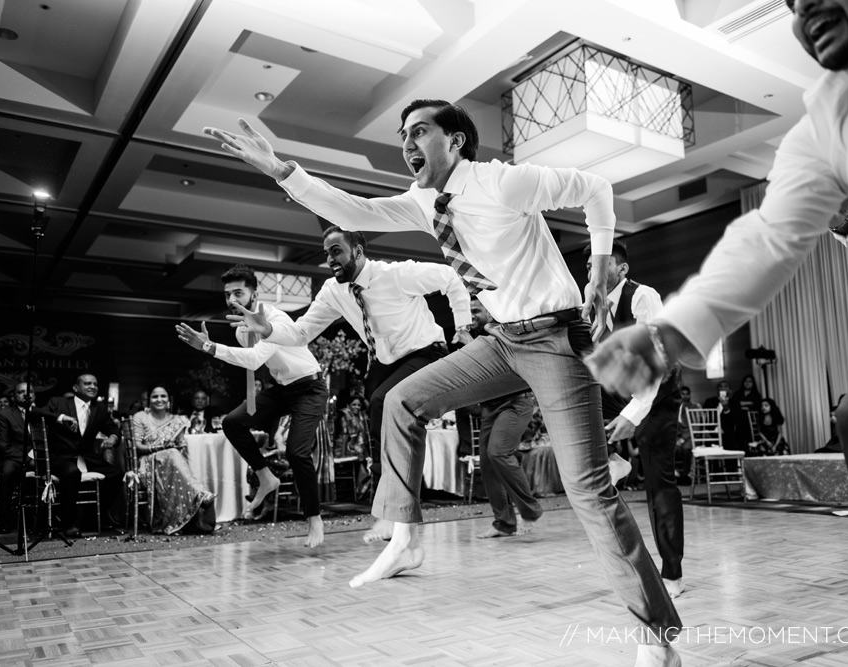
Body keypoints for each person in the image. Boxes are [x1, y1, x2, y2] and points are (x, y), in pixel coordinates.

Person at [205, 99, 682, 667]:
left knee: (589, 492)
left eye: (420, 131)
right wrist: (282, 171)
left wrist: (601, 264)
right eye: (403, 134)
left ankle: (658, 638)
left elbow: (596, 187)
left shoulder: (505, 183)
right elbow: (351, 208)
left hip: (554, 341)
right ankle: (405, 537)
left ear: (456, 141)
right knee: (402, 400)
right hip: (503, 341)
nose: (407, 143)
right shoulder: (424, 201)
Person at [587, 1, 848, 661]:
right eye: (793, 4)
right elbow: (771, 235)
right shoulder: (828, 120)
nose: (806, 12)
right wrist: (664, 337)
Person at [226, 225, 472, 542]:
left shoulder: (395, 274)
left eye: (336, 251)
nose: (330, 259)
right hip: (386, 361)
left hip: (426, 351)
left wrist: (463, 325)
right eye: (327, 253)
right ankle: (395, 503)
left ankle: (390, 512)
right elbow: (301, 334)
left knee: (384, 402)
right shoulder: (333, 290)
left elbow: (451, 278)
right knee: (376, 416)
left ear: (357, 250)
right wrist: (268, 331)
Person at [175, 264, 328, 548]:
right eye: (227, 294)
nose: (232, 299)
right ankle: (265, 476)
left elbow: (255, 360)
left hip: (309, 388)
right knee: (232, 422)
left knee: (296, 451)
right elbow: (249, 358)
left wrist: (209, 348)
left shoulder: (275, 318)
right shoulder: (241, 329)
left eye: (238, 292)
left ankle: (314, 518)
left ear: (254, 293)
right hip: (282, 389)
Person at [588, 240, 686, 598]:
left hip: (658, 393)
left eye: (600, 263)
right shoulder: (592, 299)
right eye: (588, 265)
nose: (592, 270)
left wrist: (633, 414)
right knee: (578, 399)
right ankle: (614, 460)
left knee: (659, 483)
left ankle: (673, 573)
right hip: (619, 388)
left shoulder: (643, 297)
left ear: (621, 269)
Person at [466, 297, 543, 539]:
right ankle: (504, 522)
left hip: (515, 402)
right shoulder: (471, 337)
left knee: (498, 452)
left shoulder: (501, 331)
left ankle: (530, 510)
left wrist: (467, 343)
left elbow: (494, 363)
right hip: (490, 407)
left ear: (490, 312)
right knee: (488, 464)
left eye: (476, 311)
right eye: (468, 312)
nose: (471, 316)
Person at [41, 374, 123, 538]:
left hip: (86, 456)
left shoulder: (99, 408)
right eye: (87, 384)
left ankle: (92, 517)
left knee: (116, 475)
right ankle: (70, 524)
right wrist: (61, 417)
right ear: (76, 388)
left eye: (95, 384)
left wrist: (113, 438)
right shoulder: (59, 402)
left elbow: (113, 429)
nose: (93, 387)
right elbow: (36, 412)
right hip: (59, 456)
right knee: (72, 473)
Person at [130, 386, 215, 534]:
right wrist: (159, 448)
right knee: (171, 453)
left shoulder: (176, 420)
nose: (159, 400)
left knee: (174, 454)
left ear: (169, 400)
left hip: (171, 463)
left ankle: (182, 519)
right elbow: (136, 447)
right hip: (147, 463)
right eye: (155, 397)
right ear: (148, 400)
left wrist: (171, 449)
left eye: (163, 396)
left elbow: (181, 447)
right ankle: (199, 493)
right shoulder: (140, 417)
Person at [0, 382, 39, 533]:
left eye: (29, 391)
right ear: (14, 396)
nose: (26, 394)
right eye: (21, 392)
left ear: (34, 395)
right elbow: (3, 445)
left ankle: (45, 519)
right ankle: (4, 520)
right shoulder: (5, 414)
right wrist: (28, 460)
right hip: (14, 458)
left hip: (39, 457)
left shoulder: (41, 413)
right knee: (7, 472)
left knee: (64, 467)